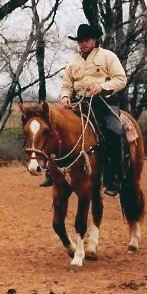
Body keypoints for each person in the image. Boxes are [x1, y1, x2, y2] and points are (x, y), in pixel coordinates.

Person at [40, 23, 127, 196]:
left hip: (103, 102)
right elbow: (66, 85)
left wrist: (102, 87)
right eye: (80, 41)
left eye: (86, 40)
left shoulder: (107, 56)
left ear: (94, 40)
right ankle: (52, 172)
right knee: (55, 129)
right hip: (78, 103)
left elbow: (121, 79)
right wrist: (65, 97)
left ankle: (113, 178)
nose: (83, 44)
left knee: (114, 131)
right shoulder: (73, 62)